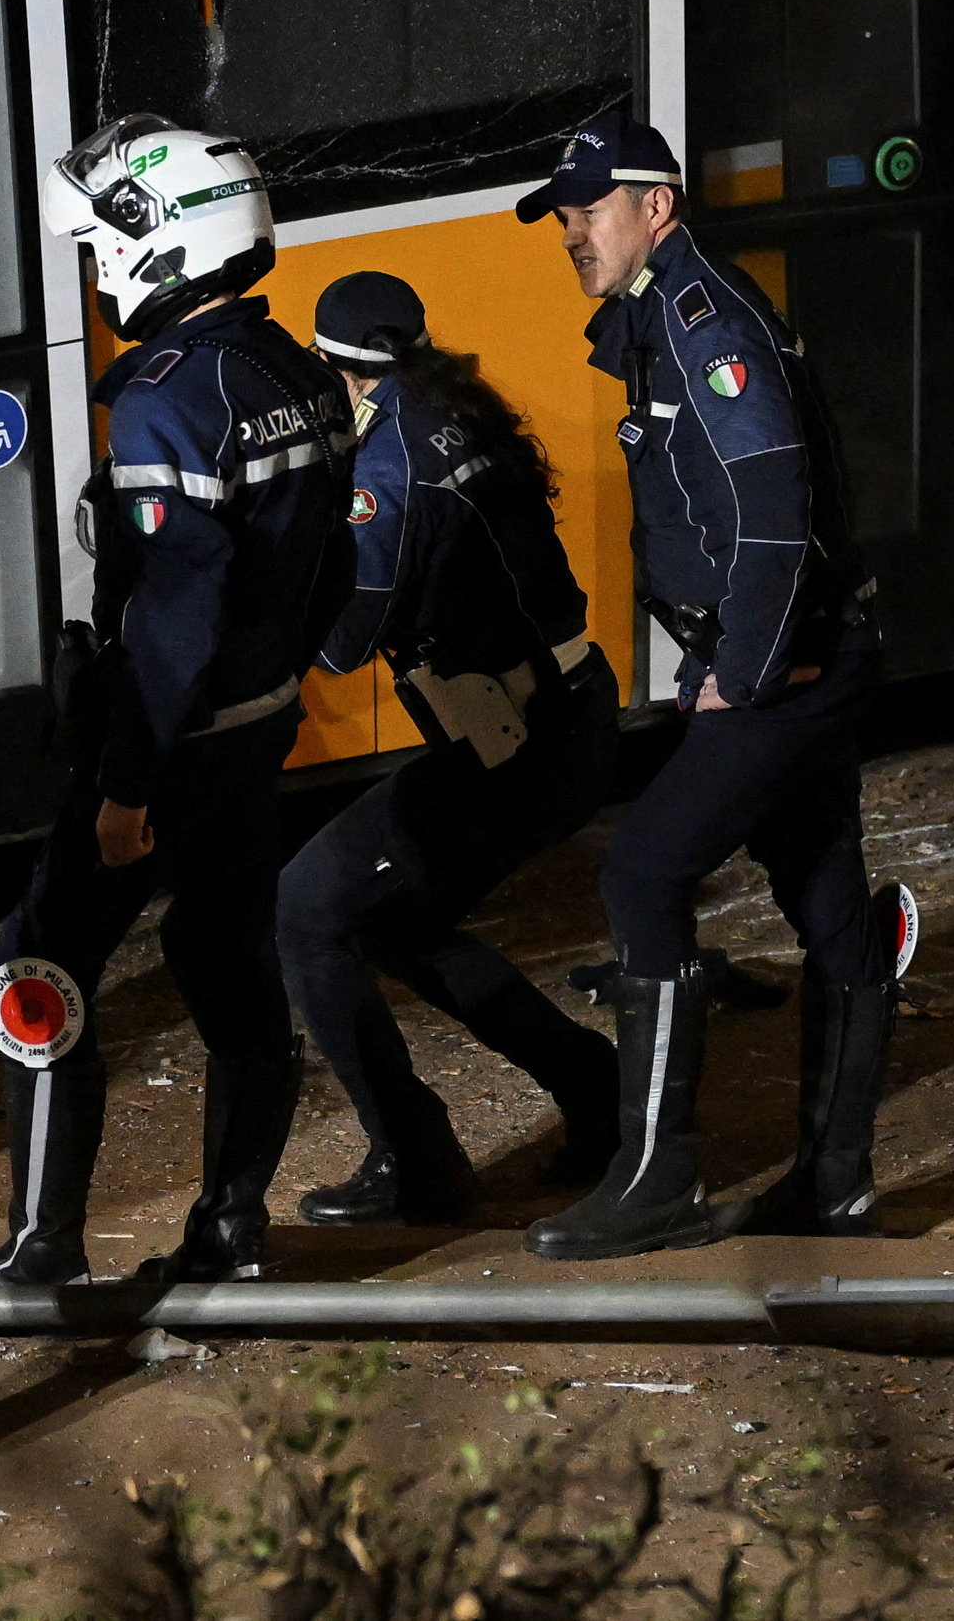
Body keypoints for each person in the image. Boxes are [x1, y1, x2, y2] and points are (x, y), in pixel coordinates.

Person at [513, 112, 915, 1257]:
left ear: (657, 206)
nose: (571, 235)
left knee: (644, 868)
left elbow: (774, 520)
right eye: (564, 217)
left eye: (587, 212)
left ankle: (656, 1182)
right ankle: (833, 1187)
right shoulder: (659, 320)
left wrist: (736, 674)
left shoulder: (703, 324)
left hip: (790, 664)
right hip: (790, 654)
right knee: (826, 898)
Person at [0, 116, 354, 1284]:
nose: (96, 272)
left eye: (100, 247)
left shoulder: (164, 404)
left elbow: (173, 620)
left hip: (166, 744)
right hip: (261, 727)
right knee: (225, 955)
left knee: (37, 964)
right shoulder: (298, 370)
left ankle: (42, 1246)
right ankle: (232, 1227)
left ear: (163, 245)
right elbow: (334, 568)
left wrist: (125, 788)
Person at [270, 271, 629, 1222]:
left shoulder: (385, 470)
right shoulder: (442, 406)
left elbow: (342, 642)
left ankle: (418, 1162)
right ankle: (593, 1084)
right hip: (559, 719)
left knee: (308, 907)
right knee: (393, 920)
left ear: (336, 369)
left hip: (520, 744)